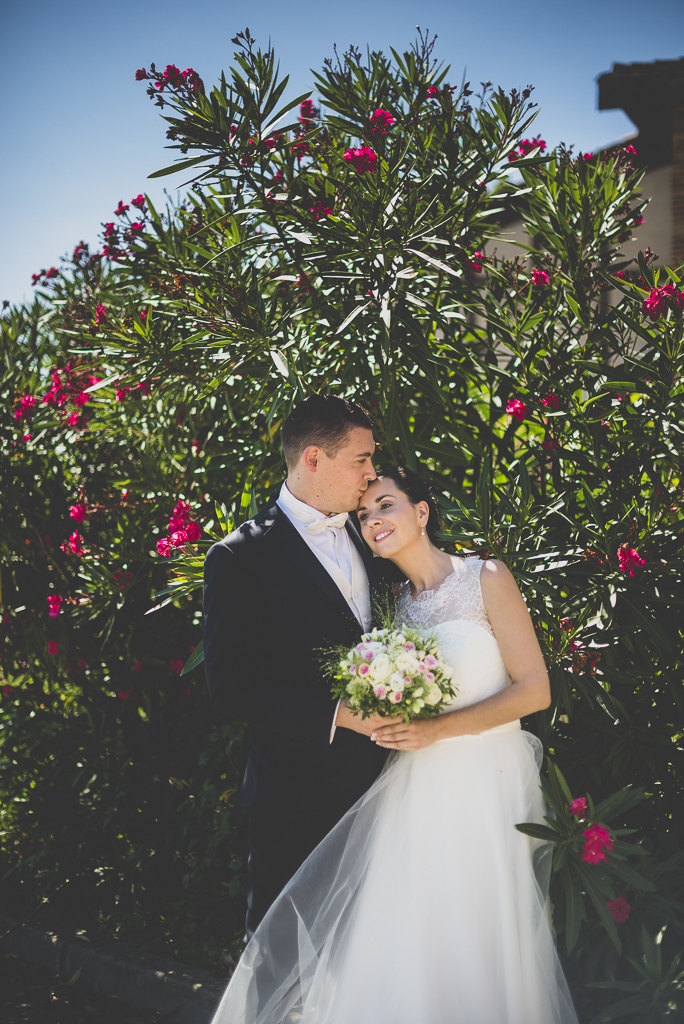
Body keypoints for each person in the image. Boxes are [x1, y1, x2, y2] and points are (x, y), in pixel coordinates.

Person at [209, 464, 580, 1024]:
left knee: (483, 934)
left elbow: (535, 690)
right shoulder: (388, 612)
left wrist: (435, 731)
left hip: (486, 786)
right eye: (364, 514)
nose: (373, 519)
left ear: (421, 512)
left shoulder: (486, 577)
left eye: (386, 505)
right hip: (412, 794)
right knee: (409, 944)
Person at [202, 395, 393, 940]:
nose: (372, 473)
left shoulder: (373, 530)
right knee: (281, 964)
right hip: (296, 800)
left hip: (389, 789)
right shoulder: (240, 557)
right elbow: (231, 689)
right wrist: (339, 714)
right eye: (360, 459)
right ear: (314, 459)